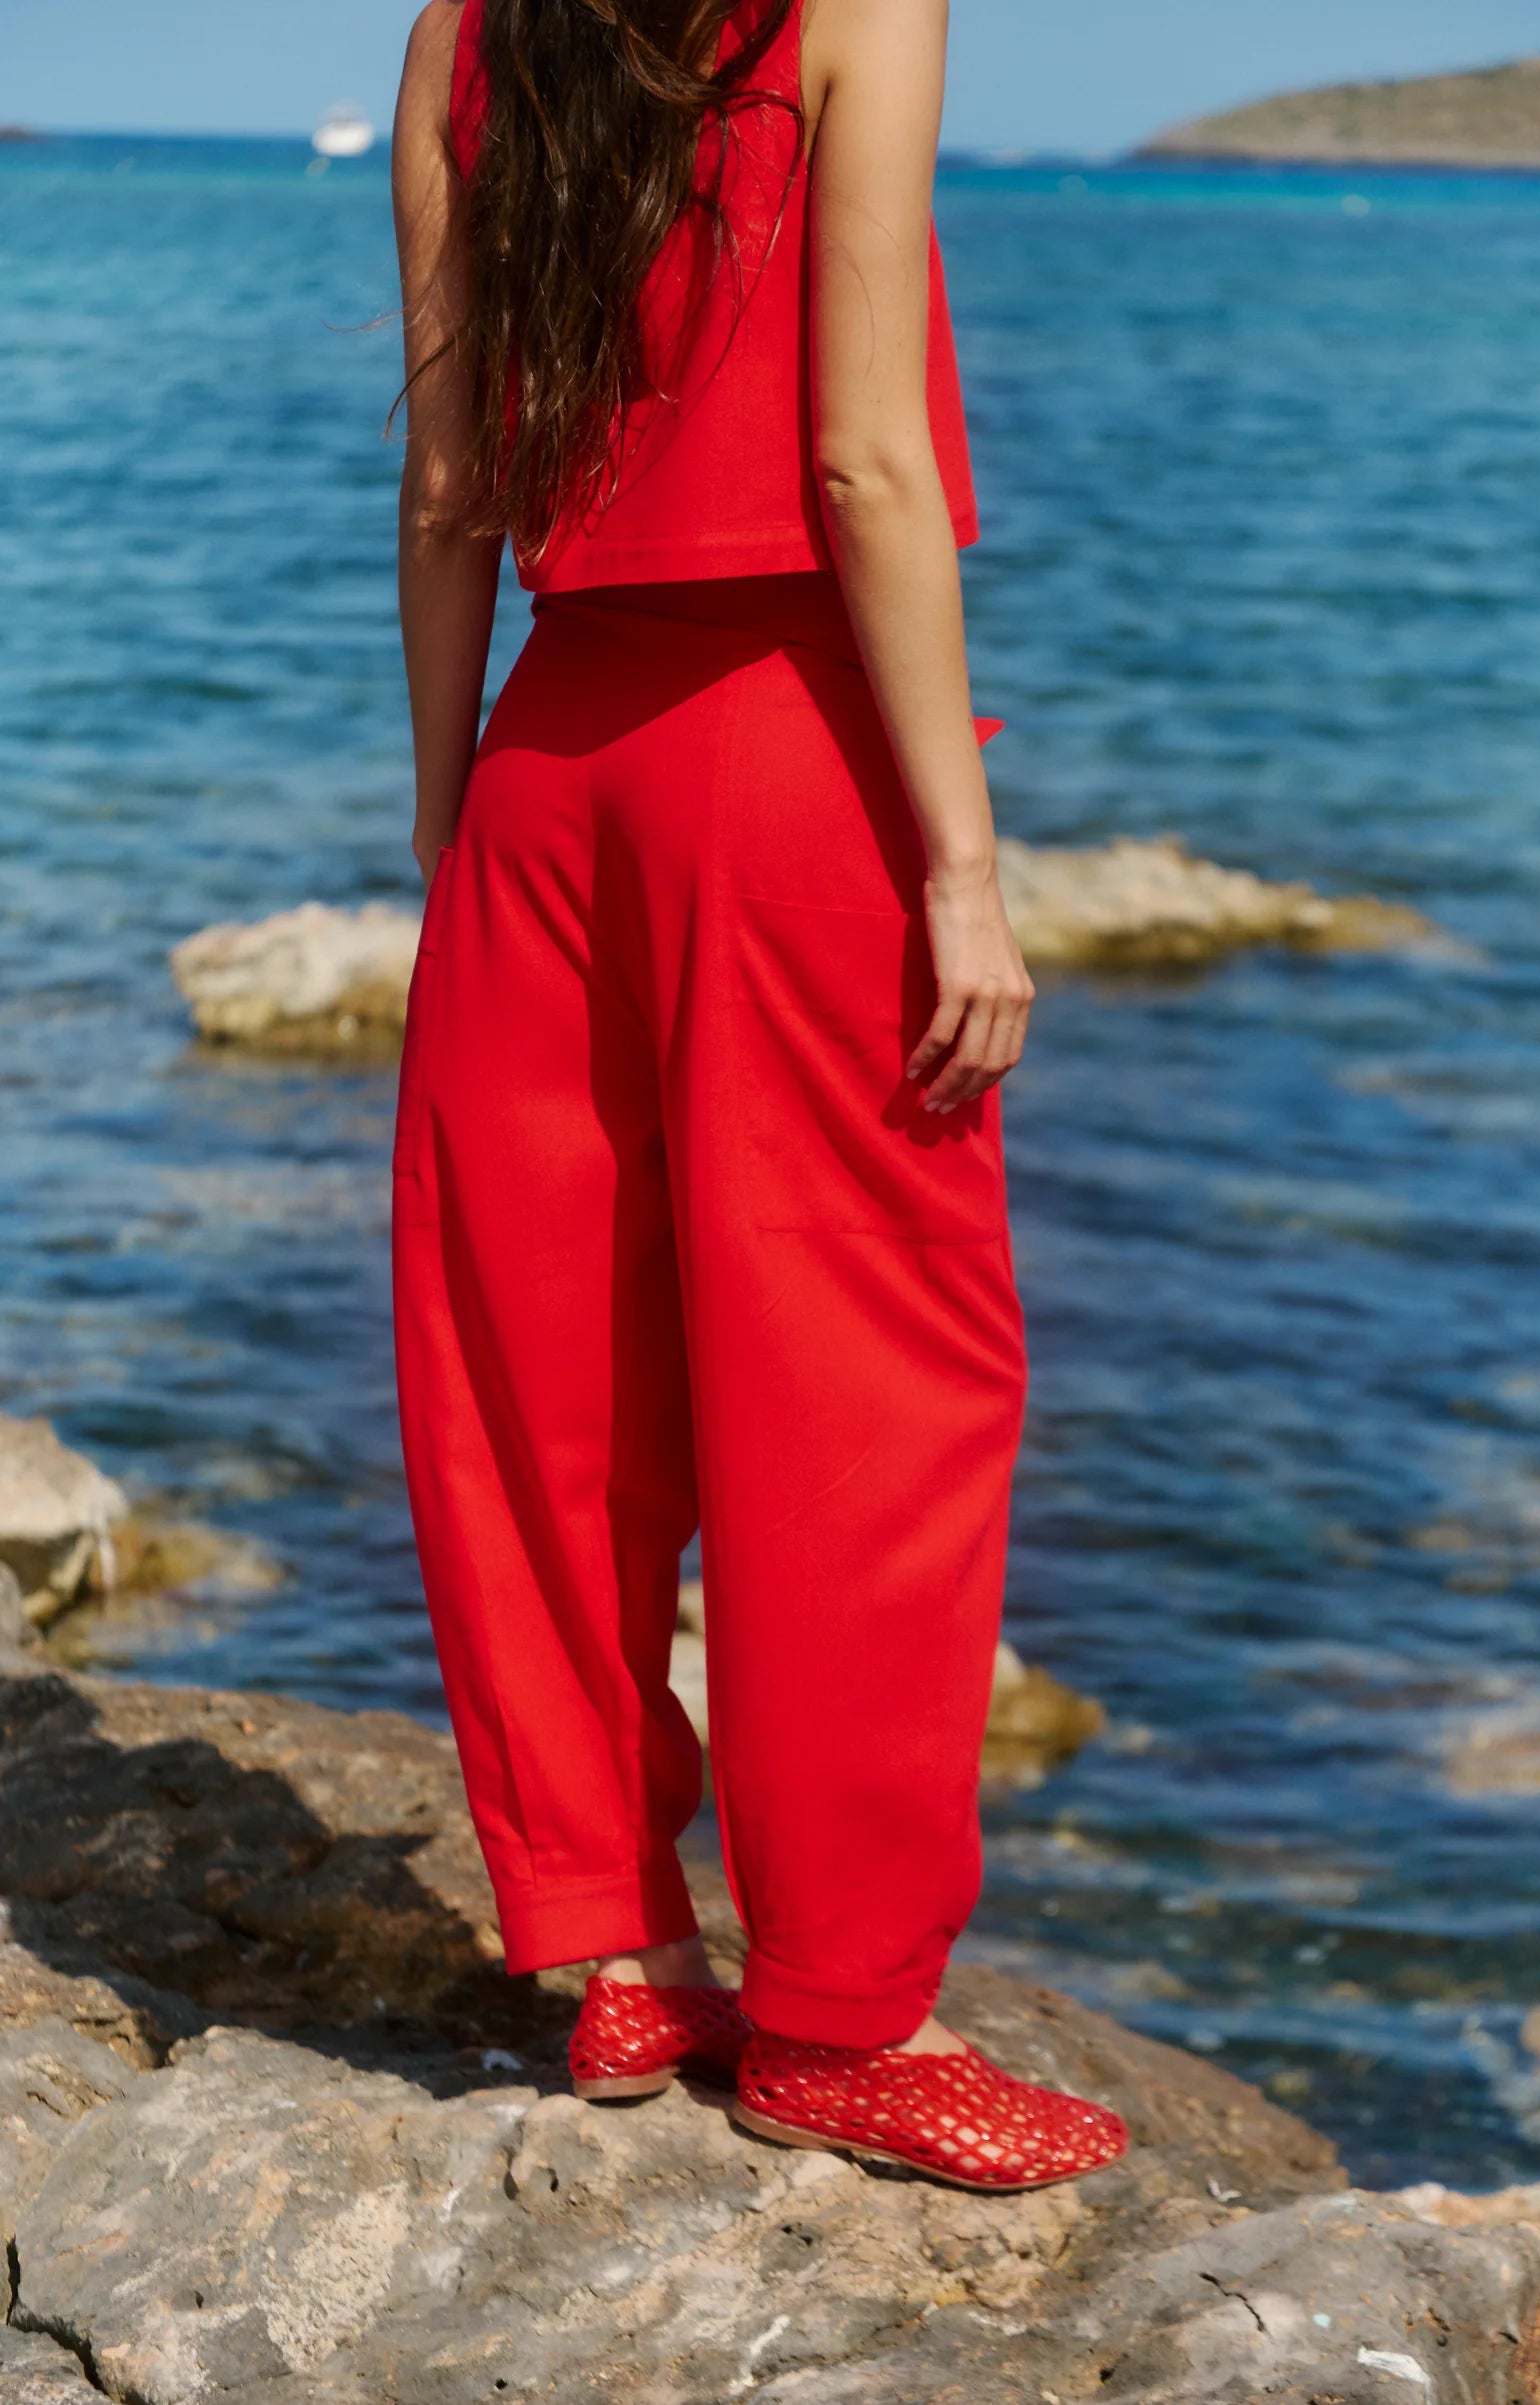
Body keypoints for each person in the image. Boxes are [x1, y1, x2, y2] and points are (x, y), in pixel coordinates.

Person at [389, 0, 1128, 2192]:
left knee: (549, 1390)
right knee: (869, 1390)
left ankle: (617, 1950)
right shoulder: (850, 5)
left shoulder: (461, 35)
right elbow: (860, 462)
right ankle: (838, 2018)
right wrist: (962, 871)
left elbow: (447, 488)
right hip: (790, 759)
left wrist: (449, 836)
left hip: (545, 764)